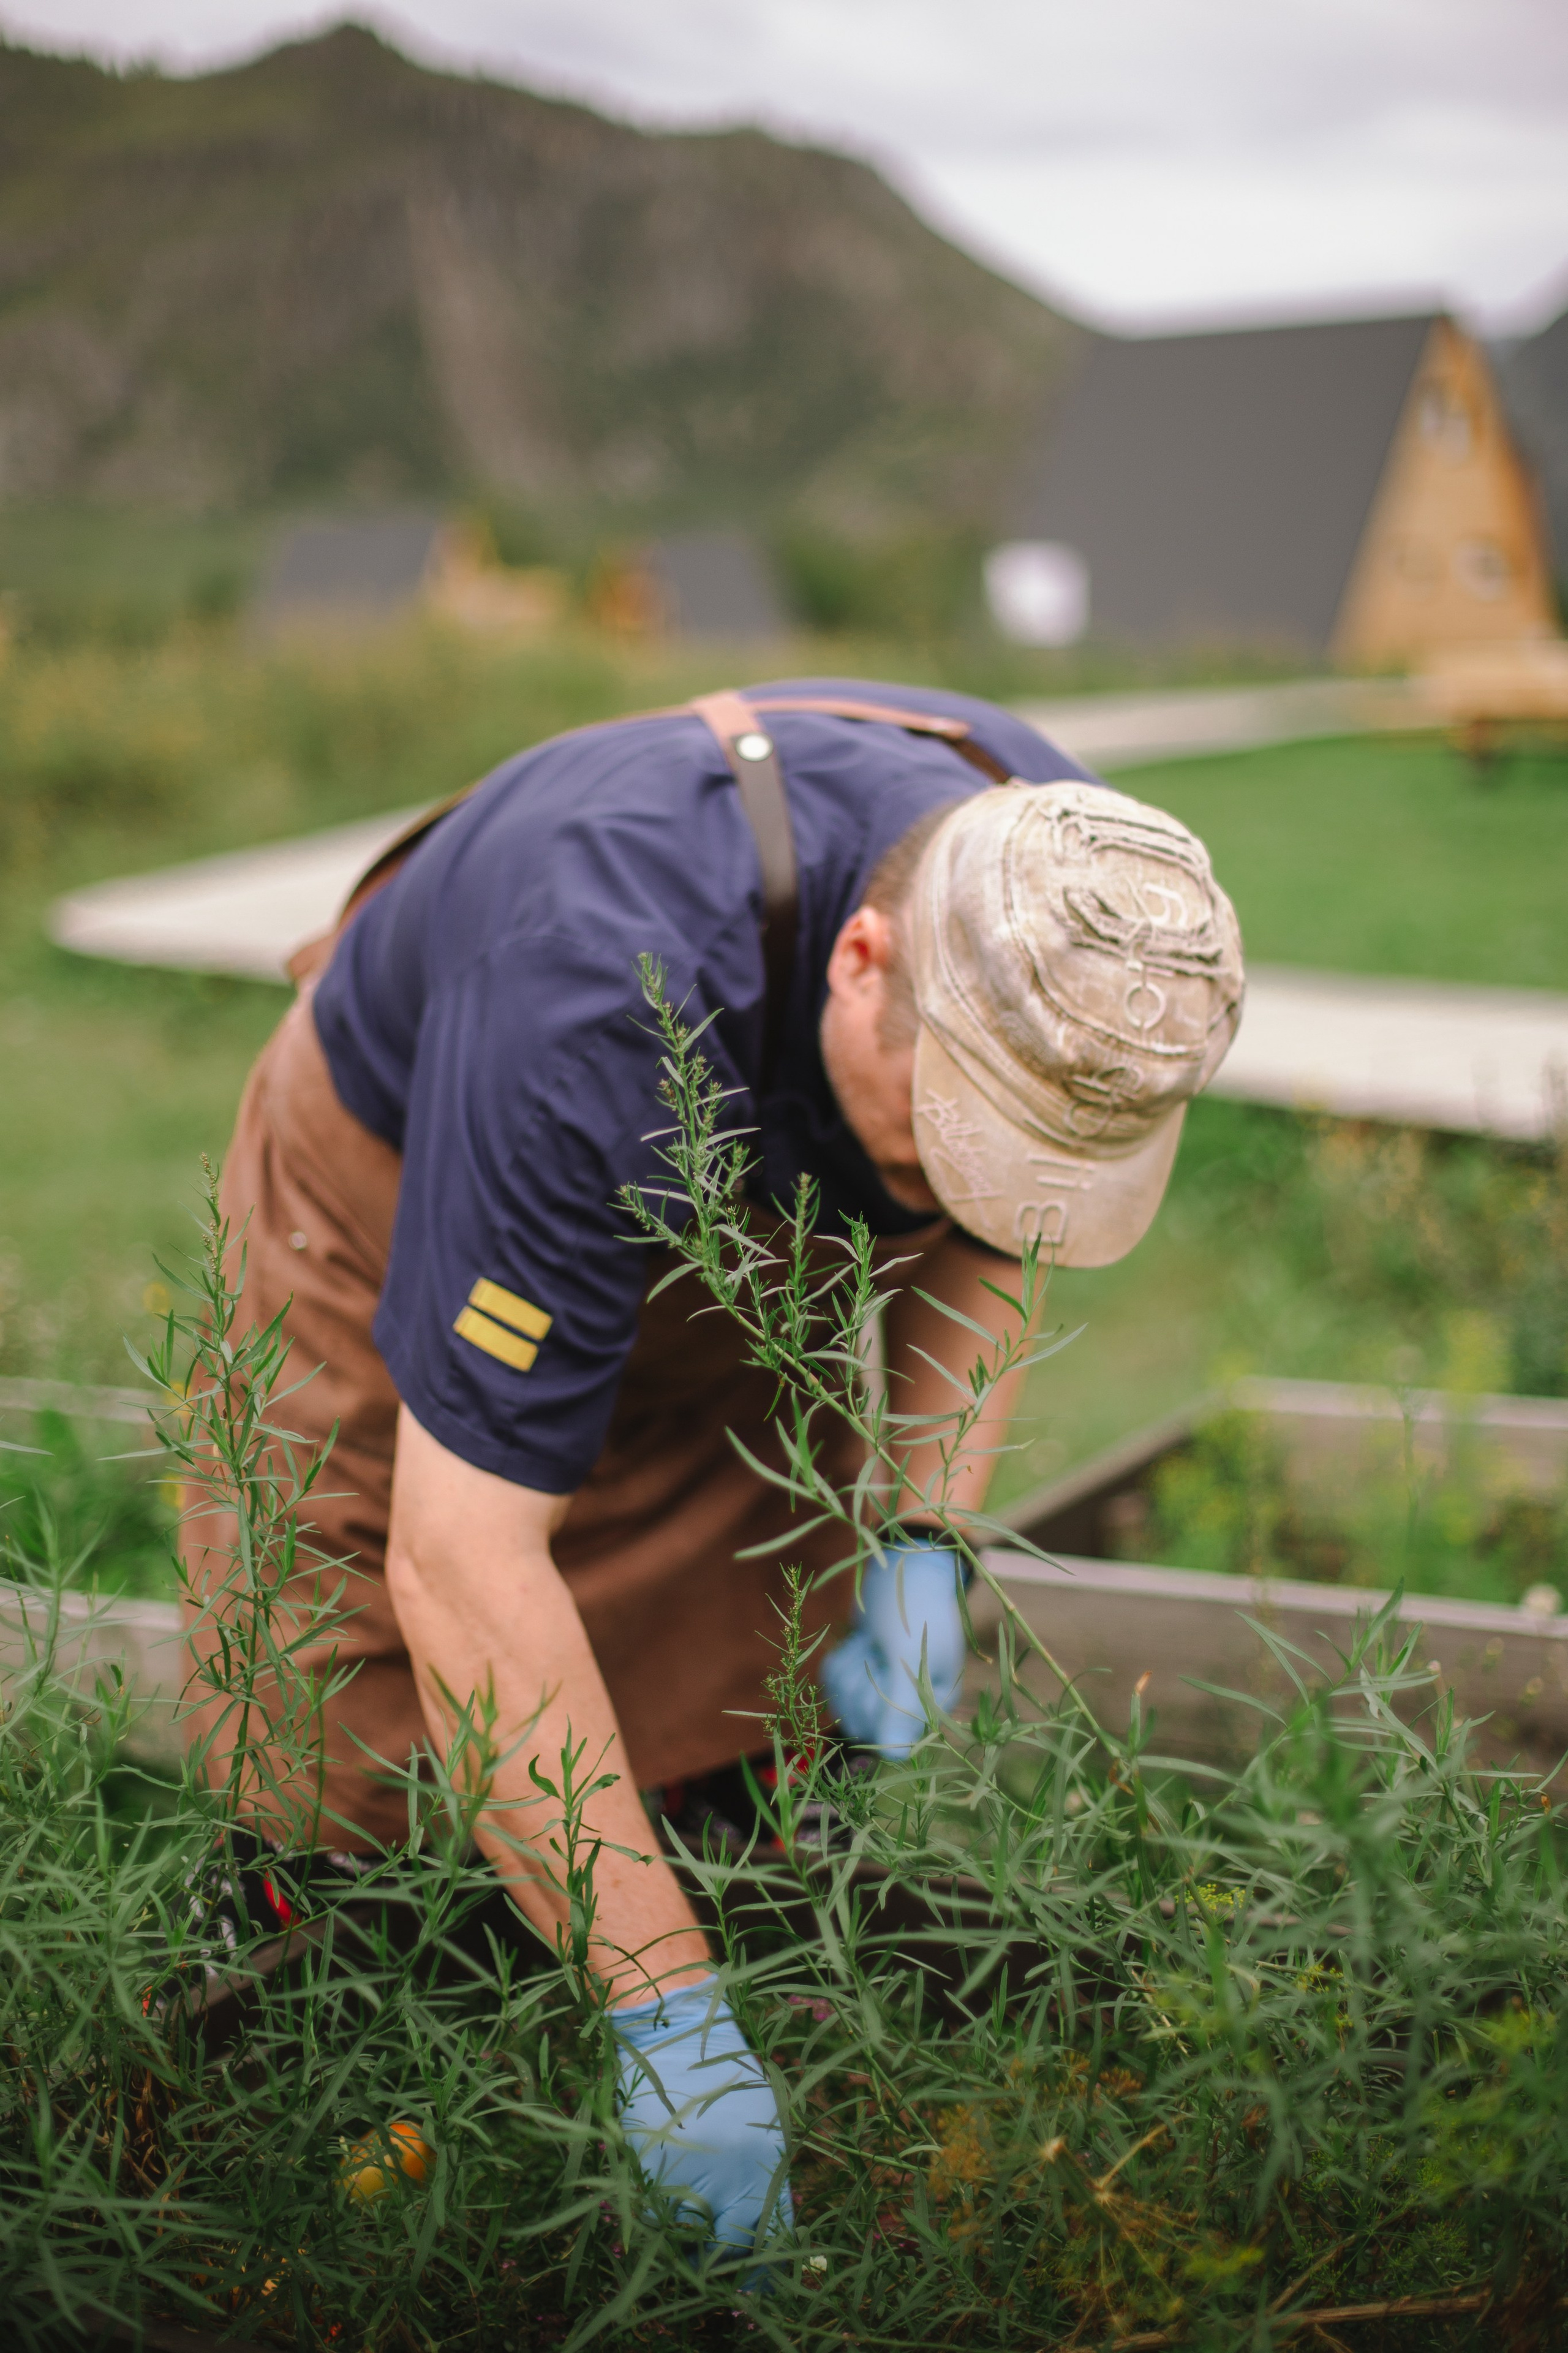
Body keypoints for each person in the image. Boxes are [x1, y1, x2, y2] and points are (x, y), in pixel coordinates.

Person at [179, 678, 1243, 2257]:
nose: (954, 1191)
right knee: (357, 1684)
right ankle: (299, 2023)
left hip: (740, 1184)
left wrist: (929, 1528)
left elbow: (997, 1224)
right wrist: (673, 2027)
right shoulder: (586, 1001)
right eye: (936, 1139)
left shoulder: (1073, 903)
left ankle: (666, 1876)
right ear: (864, 964)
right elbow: (459, 1558)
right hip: (408, 1178)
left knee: (735, 1627)